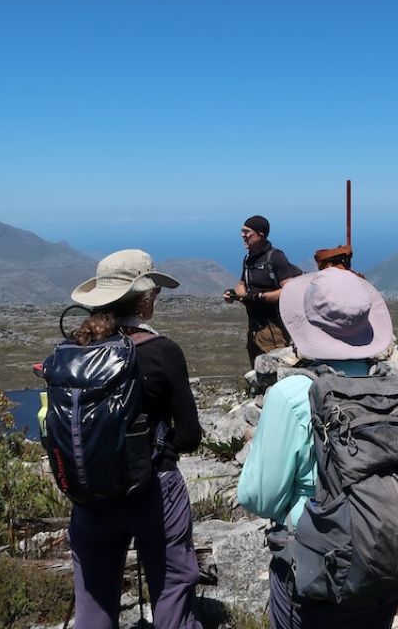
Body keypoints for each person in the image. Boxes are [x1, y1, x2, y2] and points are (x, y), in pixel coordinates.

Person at [237, 268, 398, 629]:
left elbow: (258, 497)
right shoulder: (397, 391)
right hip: (388, 557)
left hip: (318, 564)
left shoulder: (293, 395)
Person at [67, 249, 203, 629]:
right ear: (144, 300)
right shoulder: (162, 352)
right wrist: (162, 450)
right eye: (154, 293)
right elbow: (190, 434)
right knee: (173, 586)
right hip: (155, 490)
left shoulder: (73, 352)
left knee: (93, 598)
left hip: (90, 490)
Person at [224, 215, 301, 366]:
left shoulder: (275, 257)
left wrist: (260, 297)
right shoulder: (248, 259)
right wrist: (232, 294)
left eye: (247, 232)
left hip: (274, 328)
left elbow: (289, 290)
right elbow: (242, 286)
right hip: (254, 327)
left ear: (260, 235)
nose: (242, 235)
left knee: (277, 369)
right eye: (242, 231)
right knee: (257, 371)